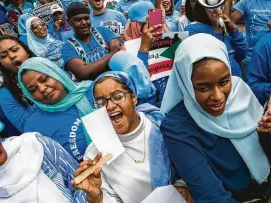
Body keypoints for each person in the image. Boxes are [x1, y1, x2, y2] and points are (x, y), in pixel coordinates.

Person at [160, 33, 271, 202]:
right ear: (186, 84)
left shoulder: (240, 92)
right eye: (204, 88)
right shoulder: (177, 126)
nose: (218, 96)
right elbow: (212, 196)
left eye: (224, 82)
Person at [74, 68, 192, 203]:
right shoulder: (95, 154)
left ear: (134, 97)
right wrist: (98, 197)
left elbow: (190, 167)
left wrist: (183, 185)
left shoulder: (162, 127)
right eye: (101, 103)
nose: (110, 106)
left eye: (118, 97)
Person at [15, 57, 93, 161]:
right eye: (33, 89)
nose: (42, 89)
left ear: (56, 73)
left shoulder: (94, 90)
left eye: (44, 79)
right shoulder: (34, 127)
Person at [185, 0, 247, 78]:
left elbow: (242, 54)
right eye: (211, 7)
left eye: (220, 5)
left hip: (236, 84)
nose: (217, 10)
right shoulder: (193, 29)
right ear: (202, 8)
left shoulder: (228, 27)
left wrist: (234, 31)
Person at [61, 2, 121, 81]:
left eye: (86, 18)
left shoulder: (103, 31)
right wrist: (112, 54)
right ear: (69, 22)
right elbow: (82, 72)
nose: (84, 22)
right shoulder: (68, 47)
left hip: (117, 79)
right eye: (78, 20)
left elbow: (117, 49)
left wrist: (91, 68)